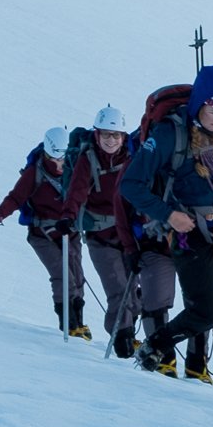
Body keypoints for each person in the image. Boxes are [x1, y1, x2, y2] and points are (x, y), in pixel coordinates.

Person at [121, 67, 213, 385]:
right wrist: (167, 215)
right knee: (207, 310)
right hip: (187, 231)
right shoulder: (169, 134)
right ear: (199, 103)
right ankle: (157, 345)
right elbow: (131, 185)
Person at [0, 127, 87, 336]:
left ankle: (79, 323)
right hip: (41, 234)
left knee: (77, 278)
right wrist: (0, 212)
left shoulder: (76, 167)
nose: (60, 166)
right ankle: (68, 325)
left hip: (70, 232)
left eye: (63, 160)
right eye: (55, 160)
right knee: (62, 276)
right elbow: (16, 197)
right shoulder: (36, 172)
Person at [60, 106, 138, 354]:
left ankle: (129, 334)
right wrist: (68, 216)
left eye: (116, 135)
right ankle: (122, 343)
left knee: (134, 290)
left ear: (124, 137)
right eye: (106, 134)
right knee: (117, 290)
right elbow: (77, 191)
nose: (111, 140)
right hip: (100, 236)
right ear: (96, 135)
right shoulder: (88, 159)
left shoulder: (133, 157)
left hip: (129, 235)